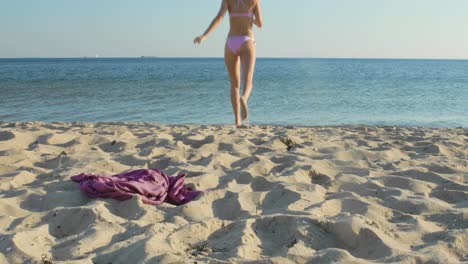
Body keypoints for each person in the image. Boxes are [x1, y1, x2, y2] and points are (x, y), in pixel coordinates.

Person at [194, 0, 263, 127]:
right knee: (248, 81)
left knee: (234, 84)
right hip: (247, 40)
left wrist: (203, 36)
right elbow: (260, 24)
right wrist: (251, 19)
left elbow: (219, 18)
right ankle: (244, 98)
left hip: (231, 42)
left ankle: (237, 121)